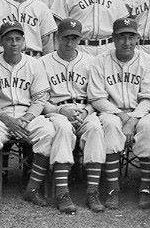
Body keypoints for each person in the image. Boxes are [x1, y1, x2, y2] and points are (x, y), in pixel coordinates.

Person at [0, 20, 55, 208]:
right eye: (9, 39)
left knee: (48, 132)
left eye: (18, 39)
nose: (14, 43)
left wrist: (25, 120)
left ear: (24, 41)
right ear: (0, 42)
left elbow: (40, 99)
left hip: (28, 115)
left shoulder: (35, 64)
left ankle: (32, 188)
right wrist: (8, 120)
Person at [87, 17, 150, 209]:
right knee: (110, 125)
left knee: (149, 127)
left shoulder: (147, 61)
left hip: (140, 112)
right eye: (121, 37)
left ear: (137, 38)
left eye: (131, 37)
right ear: (113, 38)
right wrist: (121, 116)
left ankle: (145, 188)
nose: (126, 42)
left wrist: (133, 119)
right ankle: (112, 189)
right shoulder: (99, 61)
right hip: (111, 110)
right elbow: (97, 98)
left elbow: (148, 97)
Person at [42, 18, 107, 214]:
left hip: (85, 109)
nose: (70, 43)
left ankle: (92, 191)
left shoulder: (91, 62)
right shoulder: (43, 62)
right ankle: (62, 192)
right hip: (57, 110)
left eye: (74, 38)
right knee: (62, 129)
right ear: (57, 38)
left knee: (95, 128)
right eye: (65, 38)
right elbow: (39, 100)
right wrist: (60, 111)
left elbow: (97, 95)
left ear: (80, 39)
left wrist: (87, 111)